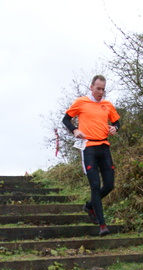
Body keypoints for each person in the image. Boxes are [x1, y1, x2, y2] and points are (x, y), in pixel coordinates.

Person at [62, 75, 121, 237]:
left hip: (104, 147)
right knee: (95, 185)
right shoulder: (81, 102)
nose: (101, 92)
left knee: (109, 185)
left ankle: (89, 206)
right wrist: (75, 130)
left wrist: (115, 128)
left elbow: (117, 122)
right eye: (98, 89)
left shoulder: (107, 105)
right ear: (91, 87)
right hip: (88, 148)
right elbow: (66, 119)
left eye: (103, 89)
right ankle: (102, 225)